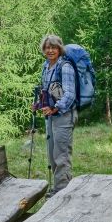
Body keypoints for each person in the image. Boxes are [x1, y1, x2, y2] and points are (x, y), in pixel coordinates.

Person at [37, 34, 77, 196]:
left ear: (59, 49)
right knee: (52, 154)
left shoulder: (65, 66)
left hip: (64, 115)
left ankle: (62, 193)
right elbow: (47, 90)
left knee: (61, 155)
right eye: (47, 47)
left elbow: (70, 94)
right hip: (51, 116)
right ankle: (57, 188)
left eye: (53, 47)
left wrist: (55, 108)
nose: (50, 50)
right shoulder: (46, 66)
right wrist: (40, 104)